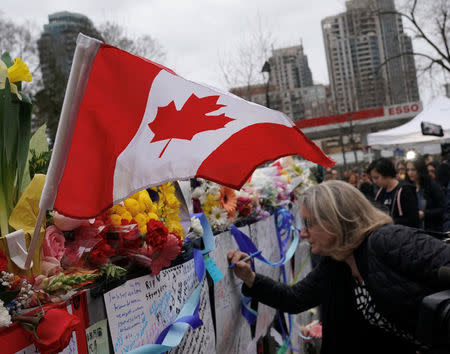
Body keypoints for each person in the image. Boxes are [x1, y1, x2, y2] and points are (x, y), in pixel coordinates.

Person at [228, 181, 450, 354]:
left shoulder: (387, 240)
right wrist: (249, 277)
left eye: (308, 223)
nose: (303, 233)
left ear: (333, 220)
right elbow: (294, 298)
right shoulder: (337, 262)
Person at [368, 158, 419, 228]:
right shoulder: (380, 192)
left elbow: (412, 219)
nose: (375, 181)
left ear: (386, 174)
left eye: (376, 178)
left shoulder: (404, 190)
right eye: (373, 178)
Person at [406, 157, 446, 232]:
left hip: (432, 229)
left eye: (413, 170)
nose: (410, 173)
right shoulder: (407, 187)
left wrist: (424, 214)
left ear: (420, 170)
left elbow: (442, 209)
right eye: (408, 170)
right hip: (414, 231)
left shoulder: (431, 186)